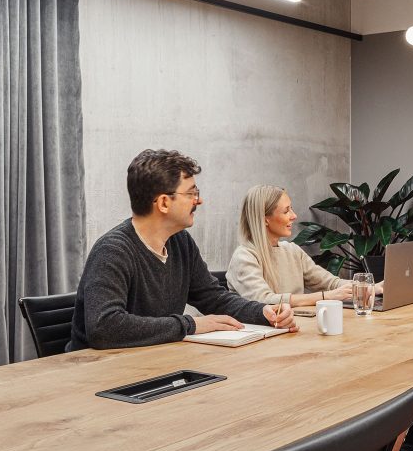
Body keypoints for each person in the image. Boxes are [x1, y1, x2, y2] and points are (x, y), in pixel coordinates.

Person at [66, 150, 295, 351]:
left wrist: (263, 311)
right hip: (99, 374)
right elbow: (105, 327)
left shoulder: (180, 242)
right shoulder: (113, 250)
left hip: (155, 360)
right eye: (191, 194)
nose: (199, 200)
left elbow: (213, 298)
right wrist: (190, 324)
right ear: (164, 203)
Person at [226, 185, 355, 307]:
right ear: (265, 219)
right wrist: (327, 297)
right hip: (263, 330)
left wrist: (371, 287)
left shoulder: (292, 251)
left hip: (295, 326)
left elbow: (331, 284)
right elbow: (265, 300)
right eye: (286, 211)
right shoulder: (244, 257)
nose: (294, 216)